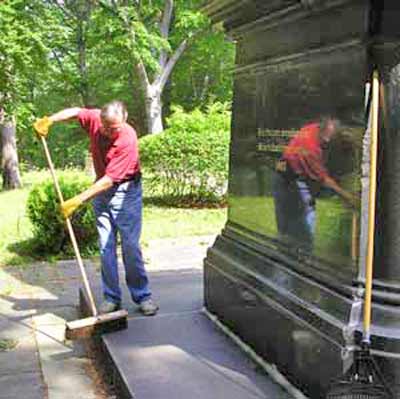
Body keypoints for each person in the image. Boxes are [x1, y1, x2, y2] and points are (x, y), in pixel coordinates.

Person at [33, 101, 159, 316]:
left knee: (130, 246)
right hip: (101, 191)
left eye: (114, 128)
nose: (109, 132)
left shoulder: (127, 139)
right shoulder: (95, 120)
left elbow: (110, 179)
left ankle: (142, 296)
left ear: (124, 120)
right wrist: (50, 120)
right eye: (106, 126)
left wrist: (77, 200)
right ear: (100, 119)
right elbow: (75, 112)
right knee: (105, 246)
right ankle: (111, 298)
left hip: (125, 192)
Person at [272, 117, 357, 251]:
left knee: (288, 230)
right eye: (326, 140)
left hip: (285, 176)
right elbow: (325, 180)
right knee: (302, 229)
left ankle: (289, 254)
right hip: (289, 181)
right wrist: (348, 197)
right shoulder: (311, 149)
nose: (328, 142)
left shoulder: (314, 127)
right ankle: (300, 257)